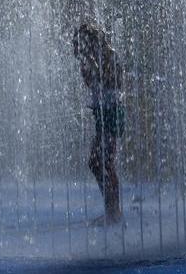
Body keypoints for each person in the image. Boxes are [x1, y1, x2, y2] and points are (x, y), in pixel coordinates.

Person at [72, 23, 125, 225]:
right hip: (102, 112)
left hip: (112, 112)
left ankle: (114, 212)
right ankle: (111, 210)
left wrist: (93, 67)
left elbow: (113, 81)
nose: (79, 48)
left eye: (81, 42)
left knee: (103, 161)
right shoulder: (91, 59)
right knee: (98, 163)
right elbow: (90, 82)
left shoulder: (109, 55)